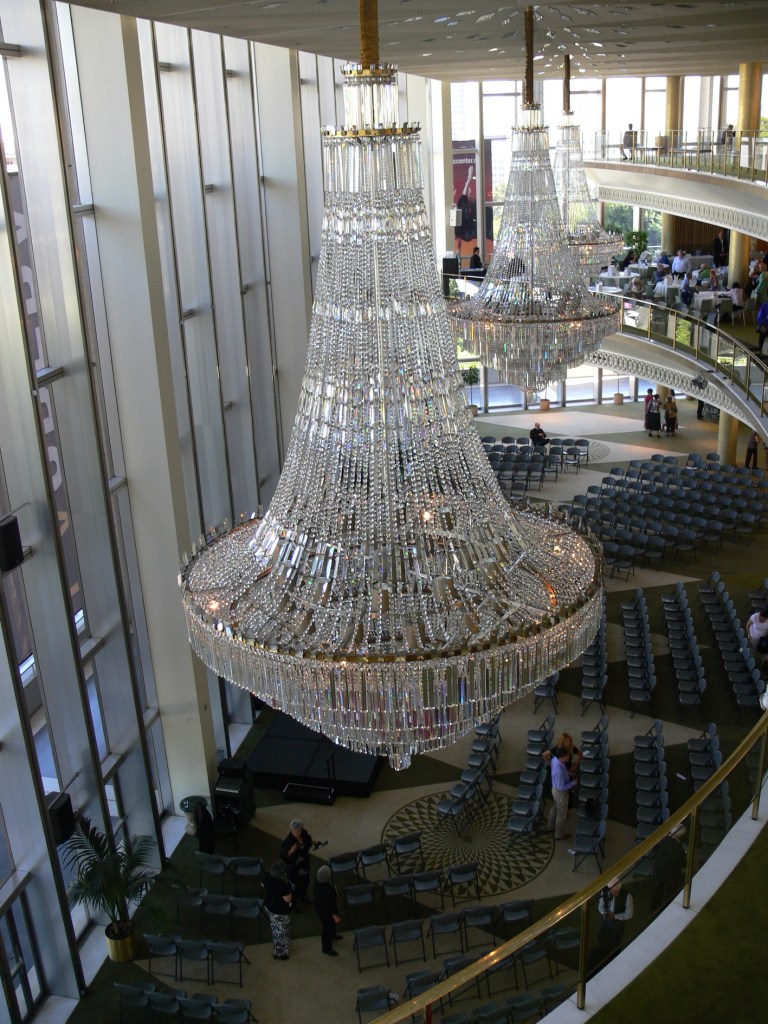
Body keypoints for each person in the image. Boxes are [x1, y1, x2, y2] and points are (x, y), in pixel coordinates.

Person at [650, 823, 687, 912]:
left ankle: (654, 906)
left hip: (659, 869)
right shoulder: (679, 849)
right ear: (680, 836)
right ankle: (664, 910)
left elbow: (654, 848)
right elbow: (683, 864)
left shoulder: (663, 839)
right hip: (671, 875)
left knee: (657, 889)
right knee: (668, 894)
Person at [263, 861, 293, 960]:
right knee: (283, 931)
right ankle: (281, 953)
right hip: (279, 911)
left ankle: (276, 950)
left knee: (275, 928)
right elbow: (288, 899)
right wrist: (291, 893)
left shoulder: (267, 876)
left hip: (269, 907)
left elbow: (262, 885)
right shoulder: (282, 885)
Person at [280, 818, 314, 903]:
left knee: (305, 882)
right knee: (294, 885)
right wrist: (291, 851)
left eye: (296, 831)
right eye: (292, 831)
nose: (293, 833)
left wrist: (311, 842)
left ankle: (302, 897)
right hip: (293, 868)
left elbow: (308, 842)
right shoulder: (290, 840)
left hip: (304, 865)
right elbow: (283, 855)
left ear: (301, 830)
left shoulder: (305, 834)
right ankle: (293, 902)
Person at [547, 746, 577, 840]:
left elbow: (563, 769)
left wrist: (568, 773)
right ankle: (559, 835)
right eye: (566, 756)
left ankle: (550, 827)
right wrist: (573, 783)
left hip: (554, 790)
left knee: (554, 808)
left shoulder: (555, 759)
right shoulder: (558, 771)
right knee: (561, 815)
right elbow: (562, 787)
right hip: (560, 794)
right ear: (561, 757)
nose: (568, 757)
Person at [598, 877, 634, 954]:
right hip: (605, 921)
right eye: (613, 891)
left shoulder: (627, 896)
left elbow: (629, 914)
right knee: (602, 938)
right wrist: (604, 912)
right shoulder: (604, 892)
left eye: (617, 891)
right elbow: (601, 906)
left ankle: (614, 955)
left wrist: (615, 916)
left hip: (617, 924)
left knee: (615, 942)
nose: (615, 894)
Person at [313, 865, 342, 956]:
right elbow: (329, 907)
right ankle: (326, 949)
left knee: (331, 925)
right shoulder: (327, 891)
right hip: (326, 912)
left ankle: (333, 935)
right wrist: (335, 916)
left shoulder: (316, 881)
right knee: (327, 929)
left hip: (319, 907)